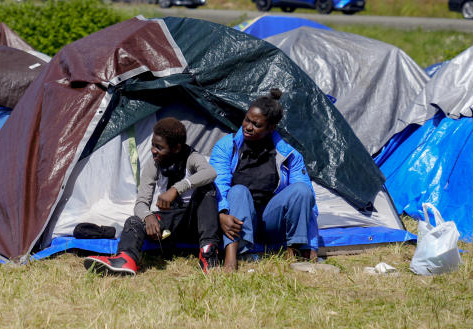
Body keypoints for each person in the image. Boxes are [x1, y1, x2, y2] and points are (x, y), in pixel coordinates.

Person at [84, 117, 220, 275]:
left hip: (195, 222)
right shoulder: (153, 164)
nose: (153, 150)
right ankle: (126, 259)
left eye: (159, 147)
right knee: (134, 221)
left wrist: (176, 189)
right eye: (153, 145)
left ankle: (208, 254)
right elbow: (141, 202)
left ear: (176, 148)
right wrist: (148, 217)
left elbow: (210, 173)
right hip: (170, 223)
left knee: (207, 190)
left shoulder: (192, 157)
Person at [209, 88, 318, 271]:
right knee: (238, 191)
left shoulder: (288, 155)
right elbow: (218, 186)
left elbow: (309, 203)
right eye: (247, 120)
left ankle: (296, 250)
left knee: (302, 190)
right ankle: (236, 254)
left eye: (256, 125)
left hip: (271, 222)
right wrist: (221, 214)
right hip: (239, 219)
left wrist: (312, 244)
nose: (248, 127)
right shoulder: (226, 147)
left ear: (271, 128)